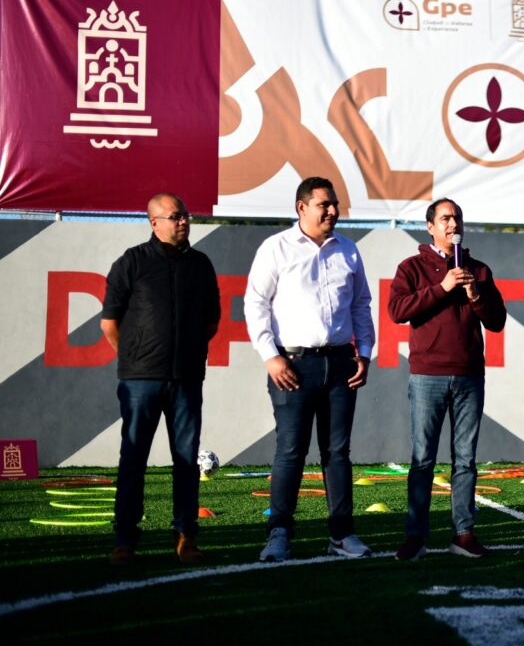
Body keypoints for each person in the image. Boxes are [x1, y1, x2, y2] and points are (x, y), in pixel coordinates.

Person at [244, 176, 375, 562]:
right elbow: (256, 304)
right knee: (290, 451)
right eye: (324, 204)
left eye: (334, 204)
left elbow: (361, 306)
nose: (333, 211)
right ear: (301, 207)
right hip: (293, 365)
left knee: (337, 452)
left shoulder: (348, 250)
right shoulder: (276, 248)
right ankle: (279, 533)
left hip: (340, 364)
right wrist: (270, 355)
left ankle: (341, 534)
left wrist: (364, 353)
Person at [101, 194, 221, 565]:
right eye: (175, 216)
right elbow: (109, 322)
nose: (184, 221)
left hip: (186, 380)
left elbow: (211, 321)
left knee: (186, 460)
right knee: (133, 458)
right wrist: (135, 357)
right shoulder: (132, 262)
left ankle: (186, 536)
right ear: (154, 222)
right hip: (140, 381)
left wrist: (188, 353)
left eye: (186, 215)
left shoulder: (201, 264)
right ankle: (125, 540)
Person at [387, 199, 507, 561]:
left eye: (457, 218)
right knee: (423, 459)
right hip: (428, 375)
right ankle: (415, 535)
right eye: (445, 218)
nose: (452, 223)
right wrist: (442, 287)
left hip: (470, 375)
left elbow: (497, 321)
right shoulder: (412, 267)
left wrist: (475, 296)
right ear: (430, 227)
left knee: (466, 460)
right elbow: (397, 311)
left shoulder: (479, 269)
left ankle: (464, 533)